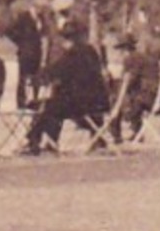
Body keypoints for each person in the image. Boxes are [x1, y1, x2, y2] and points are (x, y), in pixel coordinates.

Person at [24, 18, 111, 154]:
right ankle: (49, 142)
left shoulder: (74, 54)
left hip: (82, 104)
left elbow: (56, 71)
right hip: (97, 102)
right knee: (54, 104)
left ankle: (34, 141)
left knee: (48, 107)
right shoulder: (91, 52)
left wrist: (36, 78)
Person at [110, 33, 160, 143]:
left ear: (124, 49)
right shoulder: (143, 57)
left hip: (147, 99)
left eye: (120, 50)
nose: (119, 54)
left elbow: (127, 82)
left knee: (114, 100)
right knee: (127, 98)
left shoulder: (130, 59)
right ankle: (137, 132)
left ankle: (117, 136)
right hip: (158, 97)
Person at [3, 0, 44, 109]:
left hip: (37, 52)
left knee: (36, 78)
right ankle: (21, 102)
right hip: (25, 53)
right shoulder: (23, 17)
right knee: (22, 78)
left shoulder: (41, 18)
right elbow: (8, 31)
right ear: (35, 7)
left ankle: (35, 100)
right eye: (40, 8)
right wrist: (20, 42)